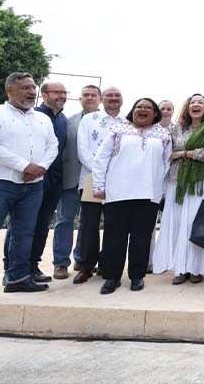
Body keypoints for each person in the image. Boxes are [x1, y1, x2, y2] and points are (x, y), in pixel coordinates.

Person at [0, 72, 59, 292]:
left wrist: (41, 168)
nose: (31, 92)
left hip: (33, 185)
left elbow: (52, 146)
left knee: (24, 233)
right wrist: (24, 166)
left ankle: (17, 278)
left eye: (32, 88)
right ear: (9, 90)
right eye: (25, 88)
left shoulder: (42, 118)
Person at [92, 98, 172, 294]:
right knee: (113, 238)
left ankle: (137, 276)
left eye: (148, 107)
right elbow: (101, 158)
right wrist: (99, 185)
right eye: (139, 107)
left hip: (148, 195)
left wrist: (160, 191)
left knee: (142, 238)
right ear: (132, 111)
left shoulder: (164, 135)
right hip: (117, 193)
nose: (142, 110)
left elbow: (166, 164)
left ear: (155, 114)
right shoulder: (118, 130)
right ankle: (112, 277)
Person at [152, 94, 204, 284]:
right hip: (177, 183)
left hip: (201, 183)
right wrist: (179, 154)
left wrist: (182, 153)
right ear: (187, 107)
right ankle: (180, 269)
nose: (196, 105)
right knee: (177, 226)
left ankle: (196, 269)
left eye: (200, 102)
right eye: (193, 102)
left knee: (194, 226)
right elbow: (168, 154)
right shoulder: (177, 129)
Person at [73, 86, 127, 285]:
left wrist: (113, 174)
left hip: (118, 182)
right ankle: (85, 265)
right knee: (89, 224)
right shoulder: (89, 120)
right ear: (102, 99)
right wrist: (100, 172)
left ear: (122, 99)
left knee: (114, 225)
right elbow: (83, 151)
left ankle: (106, 264)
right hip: (90, 179)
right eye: (109, 96)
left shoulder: (127, 122)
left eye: (117, 95)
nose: (113, 99)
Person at [57, 85, 101, 278]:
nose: (89, 98)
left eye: (93, 95)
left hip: (94, 179)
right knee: (64, 220)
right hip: (70, 178)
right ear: (80, 99)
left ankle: (81, 258)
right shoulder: (69, 121)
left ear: (100, 99)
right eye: (85, 95)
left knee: (88, 222)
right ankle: (60, 262)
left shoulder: (108, 122)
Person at [27, 81, 68, 283]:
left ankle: (33, 266)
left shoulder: (62, 120)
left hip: (55, 181)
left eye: (64, 92)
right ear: (44, 95)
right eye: (56, 92)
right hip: (34, 179)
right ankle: (15, 268)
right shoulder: (34, 116)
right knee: (25, 225)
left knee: (42, 225)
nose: (61, 95)